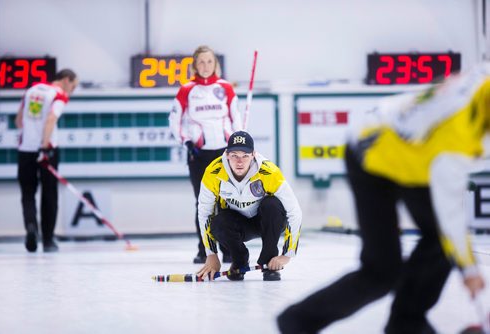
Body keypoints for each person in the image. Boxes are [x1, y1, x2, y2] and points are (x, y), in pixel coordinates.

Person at [278, 64, 489, 333]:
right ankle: (298, 321)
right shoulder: (457, 140)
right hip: (371, 158)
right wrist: (470, 271)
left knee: (439, 240)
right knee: (382, 270)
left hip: (413, 153)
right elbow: (451, 216)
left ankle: (406, 322)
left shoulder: (483, 77)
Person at [169, 45, 243, 264]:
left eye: (209, 62)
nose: (205, 66)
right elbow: (174, 121)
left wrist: (238, 143)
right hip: (198, 154)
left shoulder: (226, 88)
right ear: (194, 65)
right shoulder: (186, 90)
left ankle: (228, 249)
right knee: (203, 203)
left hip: (224, 153)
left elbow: (235, 118)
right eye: (201, 62)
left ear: (215, 64)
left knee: (226, 202)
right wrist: (186, 142)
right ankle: (205, 250)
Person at [195, 131, 302, 281]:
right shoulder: (213, 173)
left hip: (267, 221)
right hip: (238, 225)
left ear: (253, 154)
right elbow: (204, 213)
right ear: (226, 154)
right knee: (218, 222)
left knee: (272, 204)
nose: (240, 161)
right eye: (234, 156)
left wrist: (287, 255)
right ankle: (239, 261)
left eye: (245, 156)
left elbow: (294, 211)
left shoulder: (269, 172)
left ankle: (269, 262)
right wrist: (211, 254)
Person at [15, 69, 78, 253]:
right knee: (49, 194)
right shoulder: (59, 95)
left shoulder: (31, 90)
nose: (71, 92)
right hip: (47, 149)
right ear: (66, 80)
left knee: (28, 193)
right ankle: (48, 240)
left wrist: (30, 137)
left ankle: (31, 227)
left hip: (25, 149)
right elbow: (51, 119)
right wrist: (44, 146)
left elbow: (19, 120)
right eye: (73, 87)